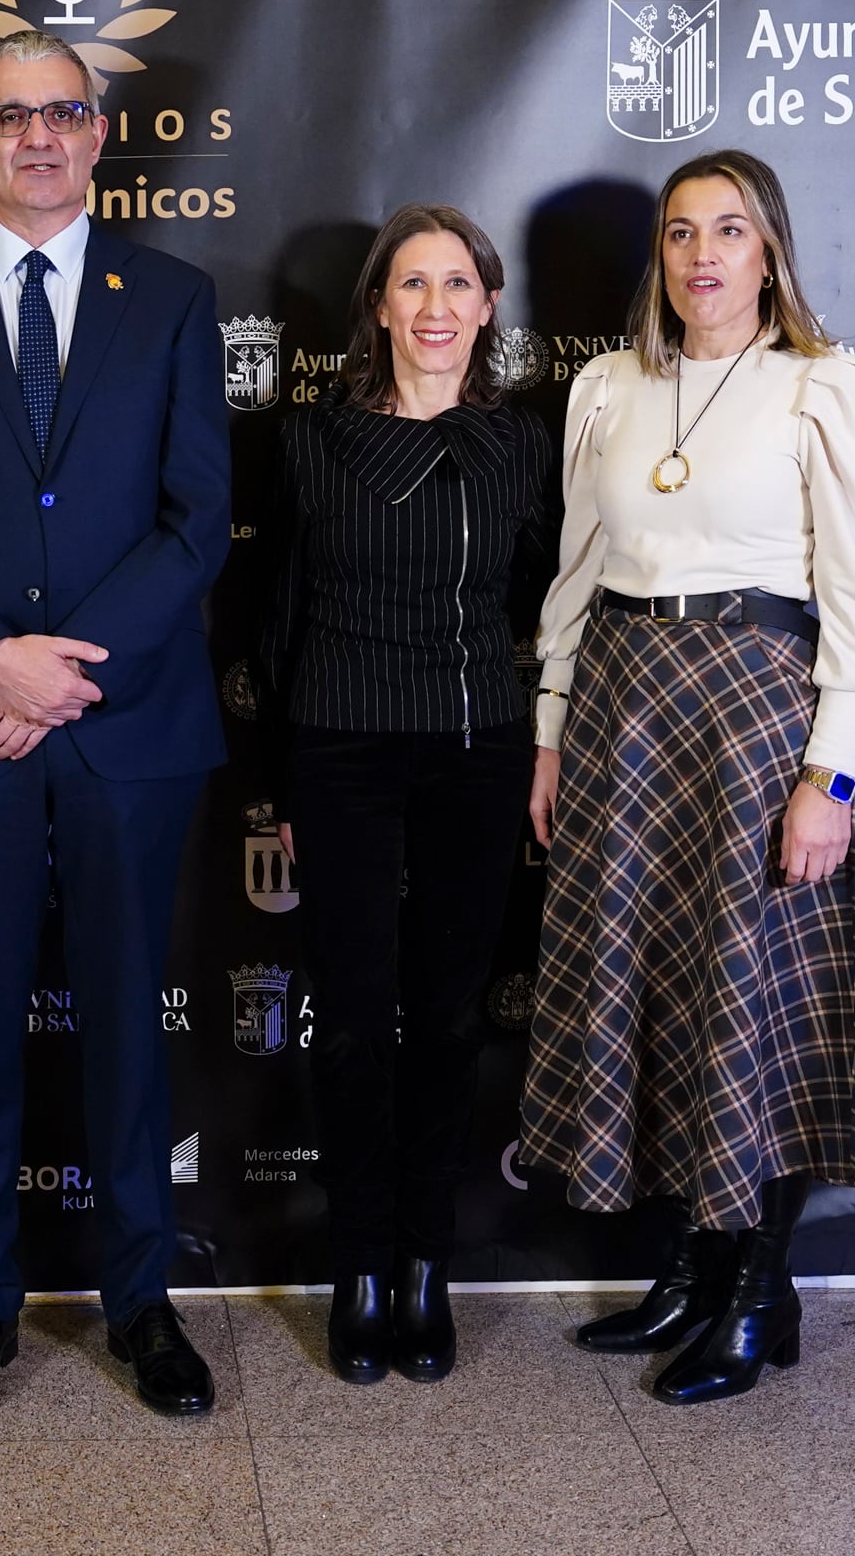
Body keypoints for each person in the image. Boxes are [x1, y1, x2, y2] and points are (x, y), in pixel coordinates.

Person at [0, 29, 232, 1424]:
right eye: (10, 118)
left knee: (131, 1025)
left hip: (127, 729)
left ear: (98, 131)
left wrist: (71, 673)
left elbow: (199, 521)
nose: (40, 137)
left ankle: (143, 1301)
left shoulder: (177, 298)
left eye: (64, 111)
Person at [520, 148, 855, 1405]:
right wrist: (550, 727)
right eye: (682, 233)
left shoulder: (825, 391)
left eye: (729, 232)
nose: (702, 256)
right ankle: (694, 1265)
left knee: (756, 997)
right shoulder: (608, 389)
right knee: (665, 997)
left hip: (756, 708)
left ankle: (760, 1293)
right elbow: (576, 577)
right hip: (629, 704)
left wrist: (831, 776)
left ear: (770, 252)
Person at [255, 204, 553, 1385]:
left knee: (444, 1018)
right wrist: (272, 765)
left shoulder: (526, 443)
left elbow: (550, 603)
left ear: (488, 308)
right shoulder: (306, 441)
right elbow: (273, 616)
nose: (435, 308)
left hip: (478, 750)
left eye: (459, 285)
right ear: (378, 304)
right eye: (412, 284)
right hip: (340, 750)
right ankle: (359, 1265)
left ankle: (426, 1264)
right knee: (356, 1021)